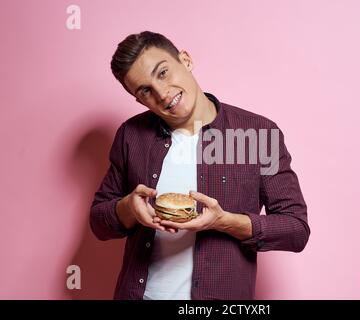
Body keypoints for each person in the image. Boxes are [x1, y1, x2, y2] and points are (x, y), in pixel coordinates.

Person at [90, 31, 310, 300]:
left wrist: (225, 222)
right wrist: (128, 209)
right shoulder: (131, 135)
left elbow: (296, 229)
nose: (162, 93)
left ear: (186, 59)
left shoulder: (257, 134)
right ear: (138, 100)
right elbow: (99, 222)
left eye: (163, 73)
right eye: (145, 90)